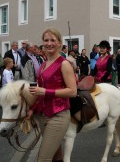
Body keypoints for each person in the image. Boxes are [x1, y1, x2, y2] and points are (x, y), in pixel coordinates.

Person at [28, 28, 77, 161]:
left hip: (59, 115)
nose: (49, 43)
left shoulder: (64, 64)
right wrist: (32, 110)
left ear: (59, 43)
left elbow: (73, 91)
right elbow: (40, 91)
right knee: (56, 155)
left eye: (52, 40)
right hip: (43, 115)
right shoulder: (43, 64)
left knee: (43, 158)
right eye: (46, 40)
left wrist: (45, 91)